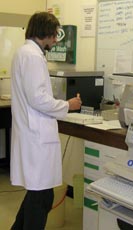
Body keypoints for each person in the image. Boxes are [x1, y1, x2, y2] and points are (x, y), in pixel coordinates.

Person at [10, 12, 82, 230]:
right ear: (46, 33)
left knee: (37, 195)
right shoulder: (32, 56)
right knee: (41, 199)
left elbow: (35, 95)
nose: (55, 40)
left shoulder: (25, 53)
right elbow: (38, 98)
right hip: (36, 138)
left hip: (32, 135)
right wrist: (67, 105)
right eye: (54, 35)